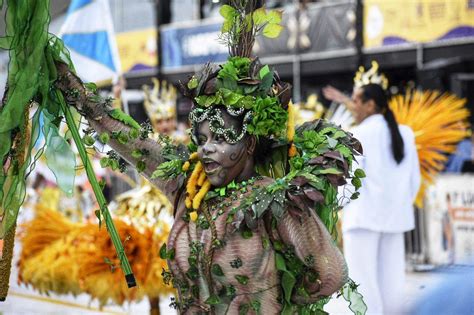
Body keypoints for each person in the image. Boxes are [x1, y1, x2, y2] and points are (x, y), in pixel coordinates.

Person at [341, 83, 421, 314]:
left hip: (362, 219)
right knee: (392, 286)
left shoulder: (359, 134)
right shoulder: (405, 133)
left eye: (356, 101)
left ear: (370, 105)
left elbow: (349, 181)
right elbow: (414, 180)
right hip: (395, 219)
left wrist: (336, 204)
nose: (352, 106)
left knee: (363, 285)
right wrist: (399, 205)